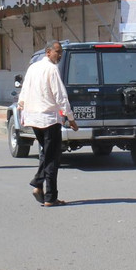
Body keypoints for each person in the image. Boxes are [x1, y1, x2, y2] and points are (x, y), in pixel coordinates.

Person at [19, 40, 80, 206]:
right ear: (48, 52)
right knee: (52, 157)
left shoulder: (33, 68)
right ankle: (47, 194)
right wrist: (71, 118)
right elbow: (60, 96)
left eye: (60, 53)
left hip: (34, 118)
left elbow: (24, 92)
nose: (59, 56)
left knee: (46, 154)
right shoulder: (52, 69)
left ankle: (42, 189)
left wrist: (21, 107)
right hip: (48, 119)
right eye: (57, 52)